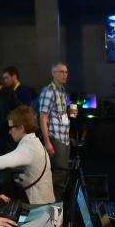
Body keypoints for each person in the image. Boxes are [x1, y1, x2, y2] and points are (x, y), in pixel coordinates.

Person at [0, 105, 56, 206]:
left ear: (21, 128)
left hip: (38, 207)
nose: (9, 131)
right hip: (43, 202)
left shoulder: (29, 148)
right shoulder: (34, 141)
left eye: (11, 127)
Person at [36, 62, 75, 194]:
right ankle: (55, 210)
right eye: (61, 72)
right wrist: (47, 141)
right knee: (58, 175)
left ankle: (60, 208)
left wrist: (70, 113)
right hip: (54, 138)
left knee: (63, 173)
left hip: (64, 138)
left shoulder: (62, 91)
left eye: (66, 72)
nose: (64, 75)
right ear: (53, 73)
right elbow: (43, 117)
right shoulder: (49, 91)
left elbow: (61, 114)